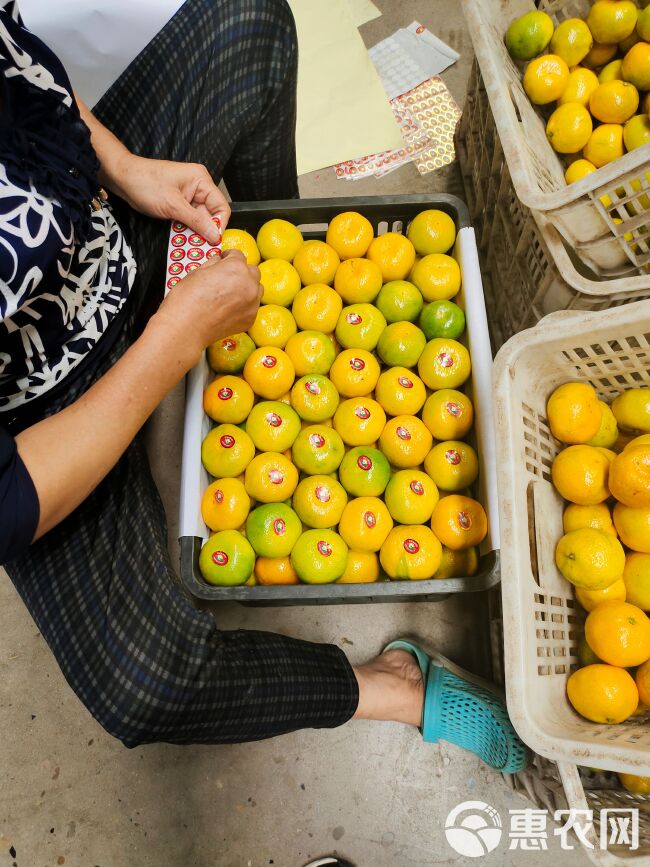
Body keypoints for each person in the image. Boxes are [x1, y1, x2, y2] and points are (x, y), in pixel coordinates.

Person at [0, 0, 527, 771]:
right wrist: (175, 341)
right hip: (41, 418)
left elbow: (22, 72)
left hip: (98, 222)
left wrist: (124, 166)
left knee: (248, 22)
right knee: (146, 686)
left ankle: (266, 262)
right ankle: (388, 685)